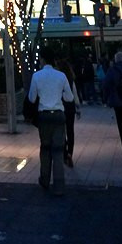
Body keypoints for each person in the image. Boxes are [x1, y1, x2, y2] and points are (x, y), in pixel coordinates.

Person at [28, 47, 74, 196]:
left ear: (42, 59)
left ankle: (45, 179)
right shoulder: (61, 76)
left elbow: (31, 98)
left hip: (44, 116)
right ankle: (59, 185)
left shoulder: (37, 76)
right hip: (59, 115)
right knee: (58, 151)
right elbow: (69, 98)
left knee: (45, 148)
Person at [56, 57, 81, 168]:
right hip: (70, 107)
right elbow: (74, 93)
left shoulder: (57, 79)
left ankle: (65, 153)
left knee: (61, 132)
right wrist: (78, 107)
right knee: (70, 131)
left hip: (60, 107)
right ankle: (70, 153)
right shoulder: (70, 79)